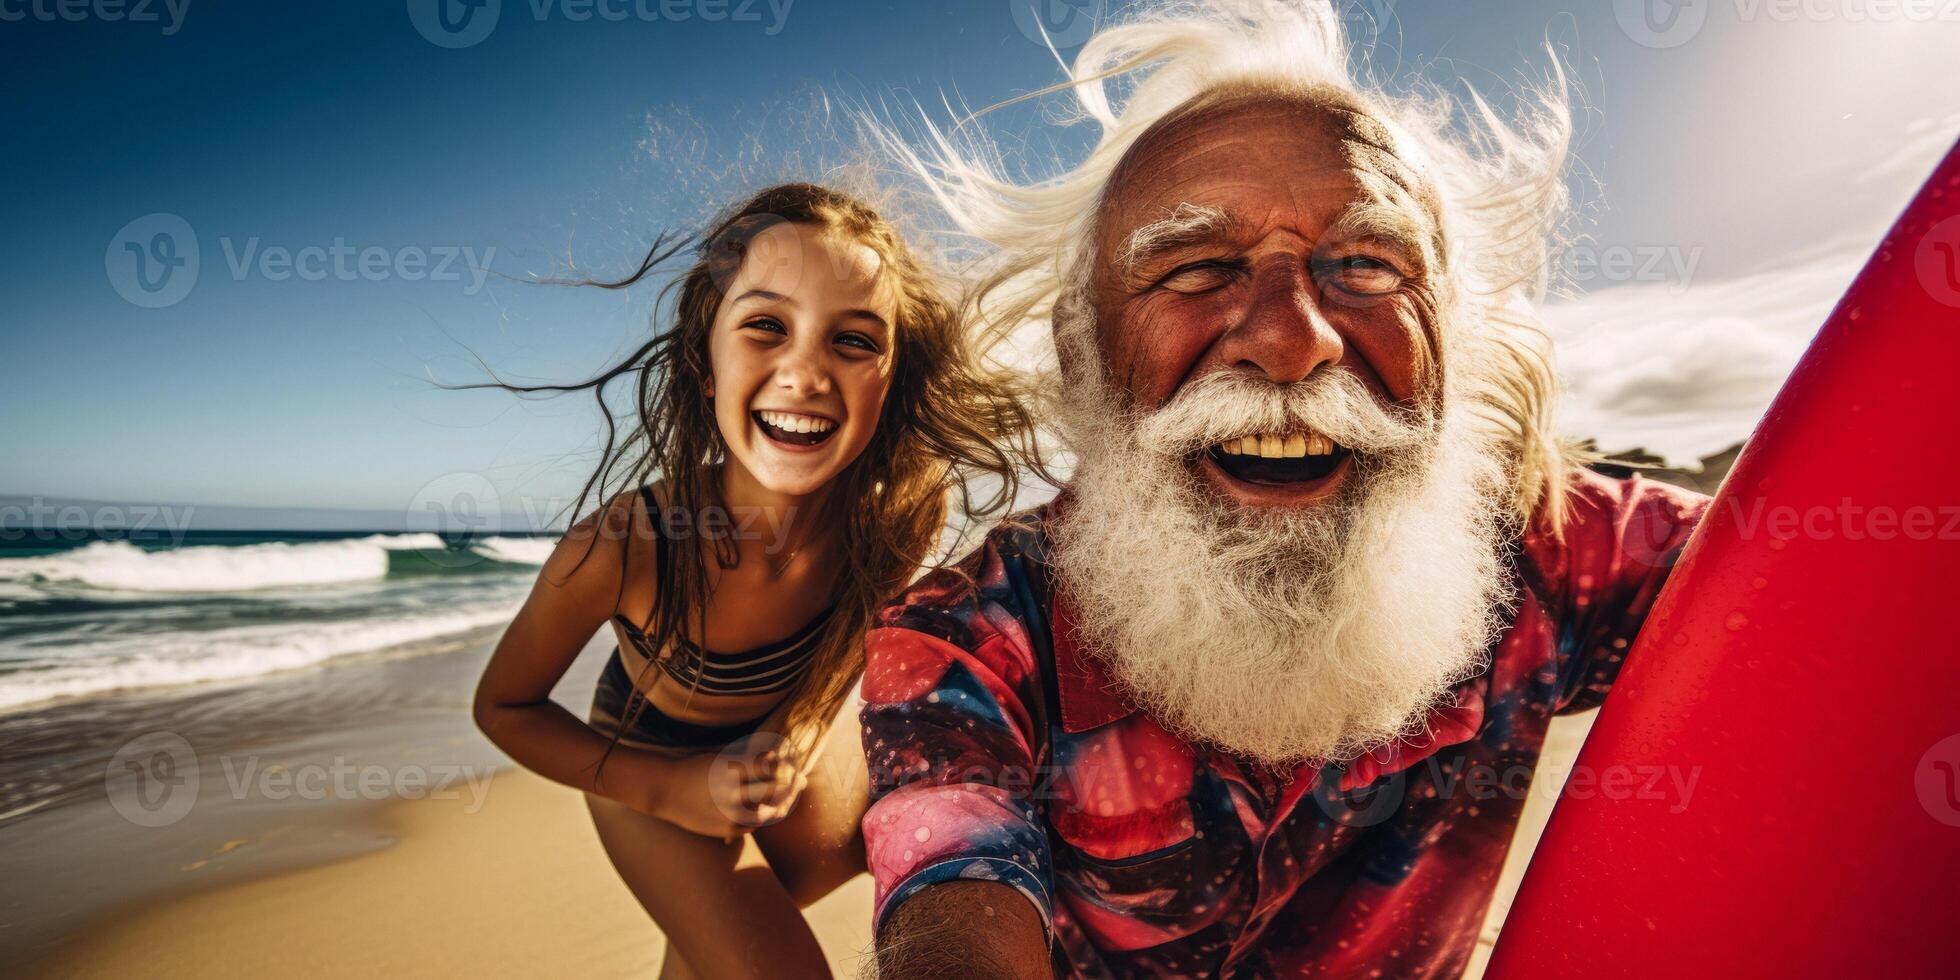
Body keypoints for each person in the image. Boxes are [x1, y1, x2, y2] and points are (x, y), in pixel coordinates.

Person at [860, 2, 1710, 977]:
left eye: (1365, 264)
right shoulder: (969, 637)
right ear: (1081, 356)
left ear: (1453, 338)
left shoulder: (1553, 551)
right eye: (1196, 267)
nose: (1290, 335)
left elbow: (1869, 589)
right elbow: (948, 891)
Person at [471, 183, 1038, 979]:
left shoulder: (899, 512)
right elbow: (502, 705)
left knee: (897, 841)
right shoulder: (627, 546)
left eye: (854, 341)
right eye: (767, 327)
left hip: (780, 736)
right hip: (643, 765)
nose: (804, 371)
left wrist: (799, 730)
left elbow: (850, 642)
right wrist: (673, 790)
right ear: (706, 362)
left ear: (891, 379)